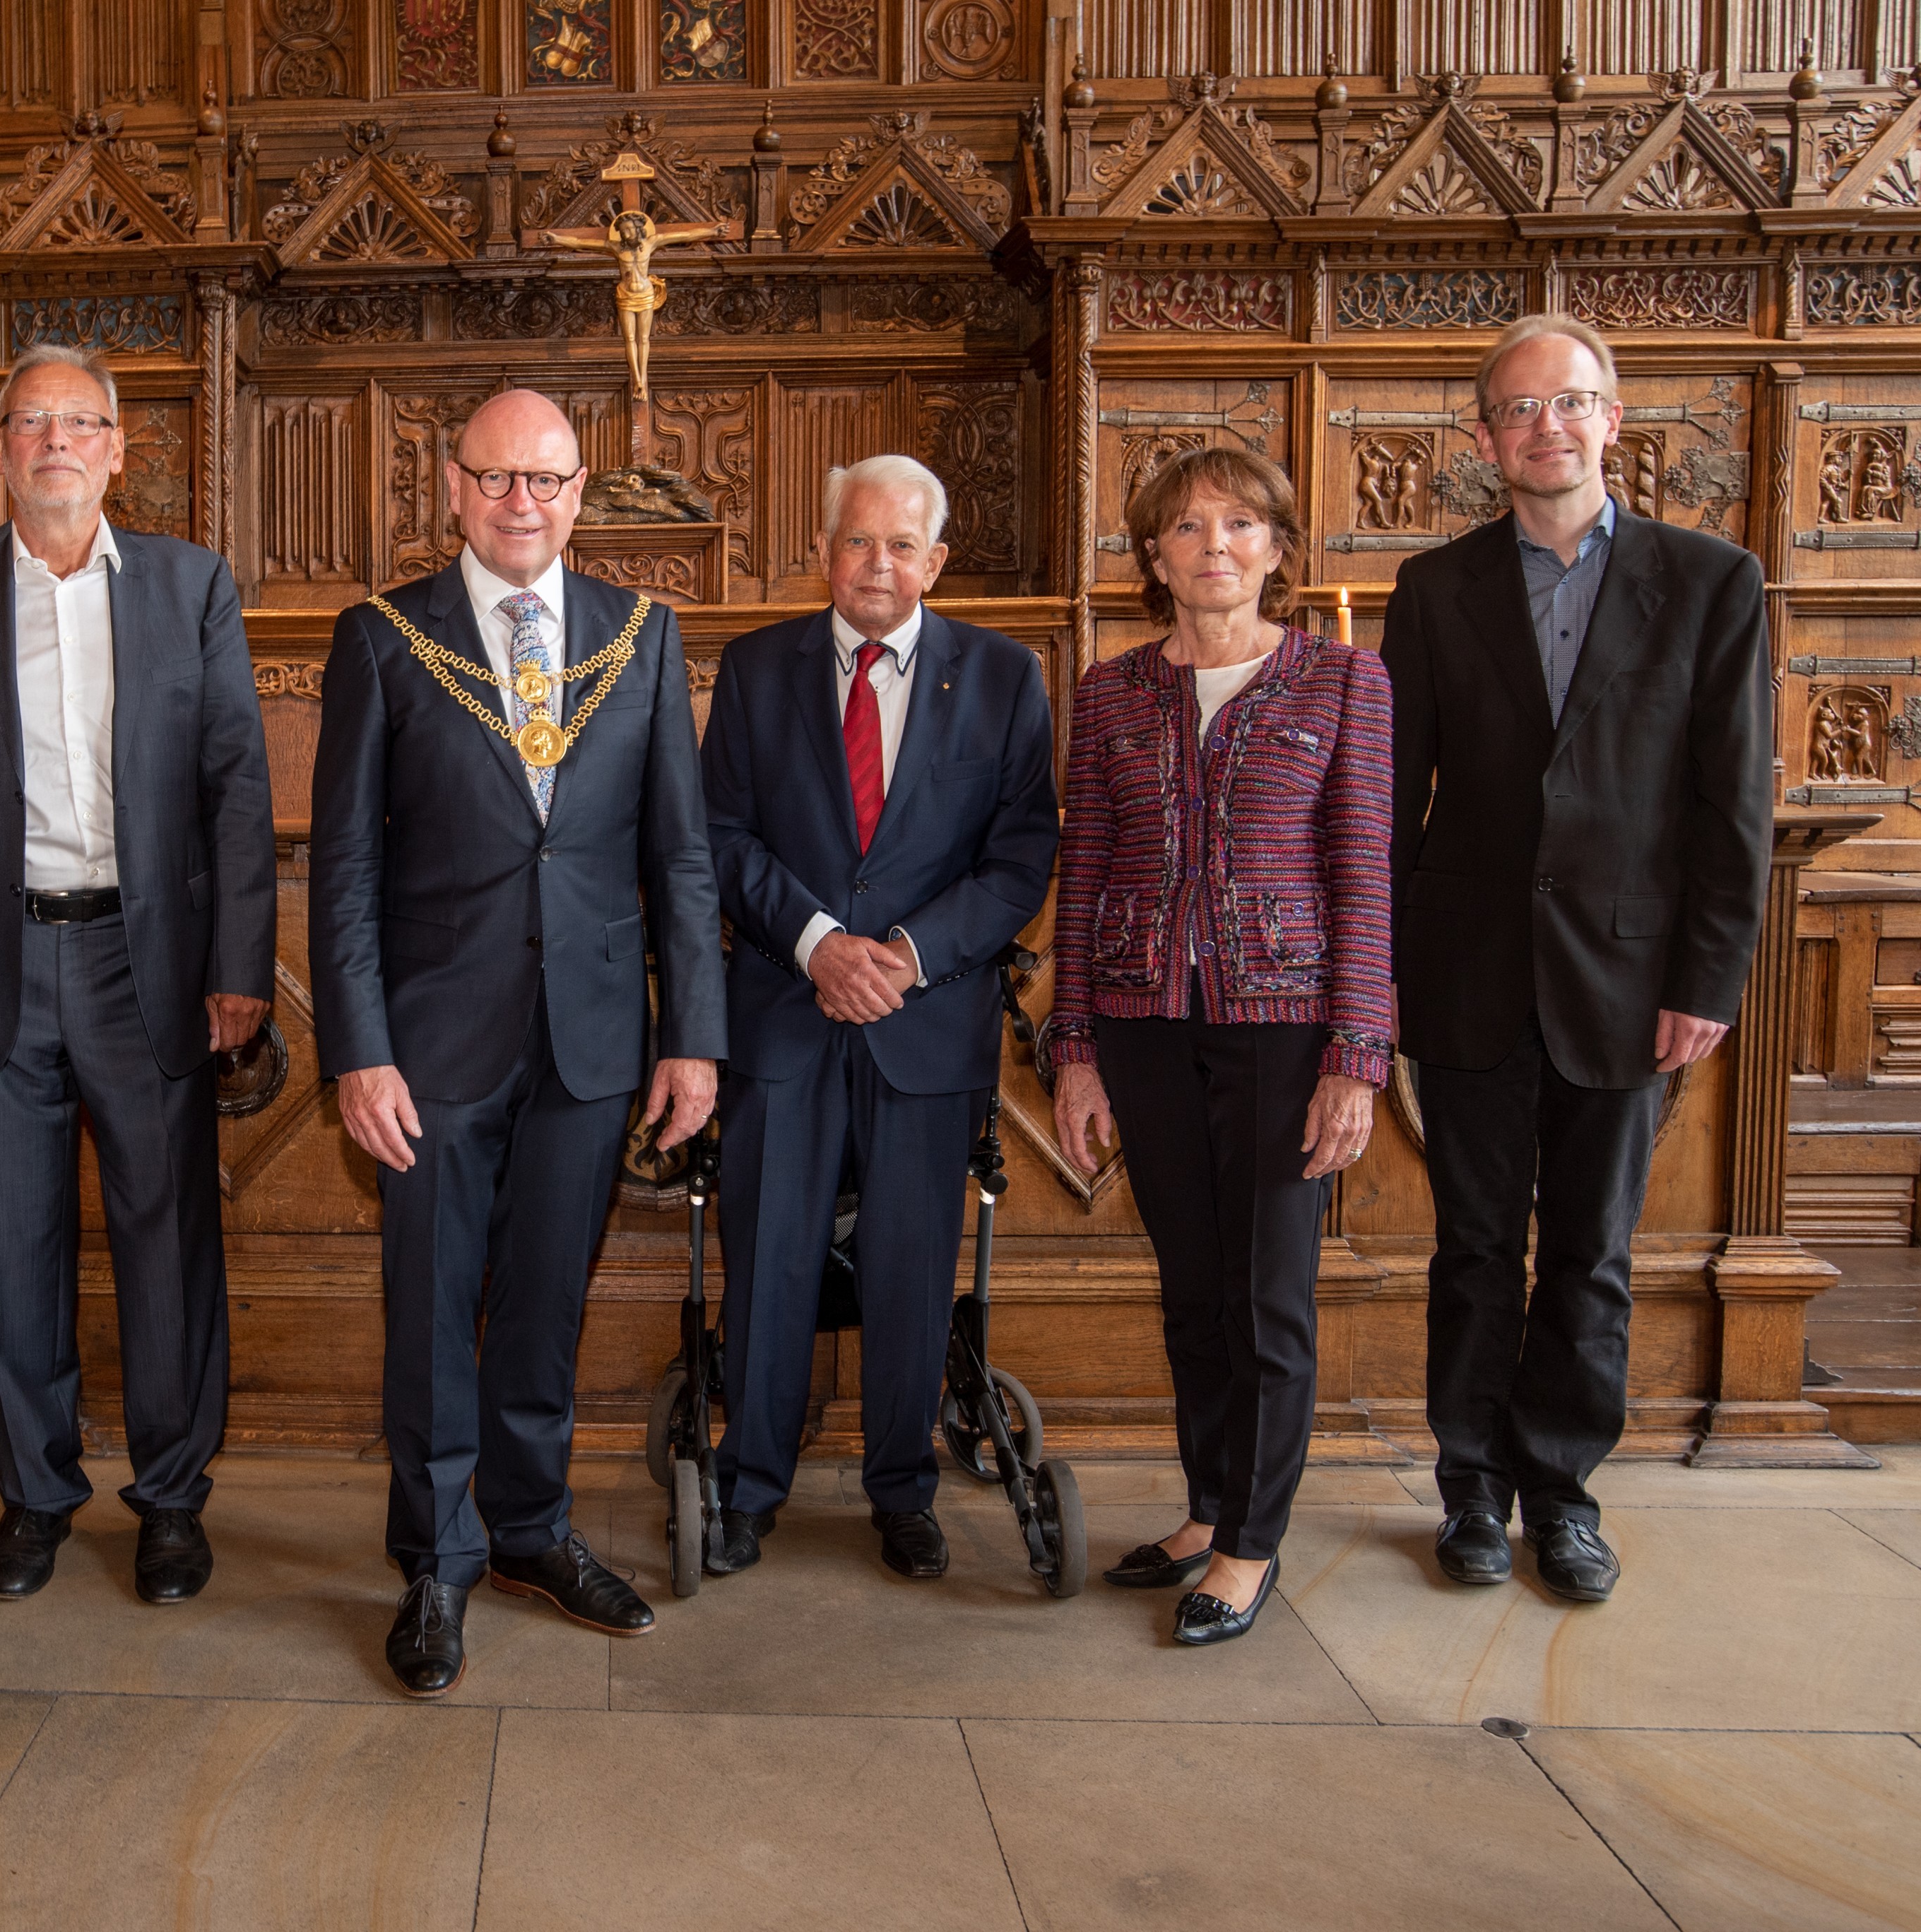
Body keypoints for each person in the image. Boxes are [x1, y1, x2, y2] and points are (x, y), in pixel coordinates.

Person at [309, 388, 725, 1697]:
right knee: (432, 1307)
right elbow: (345, 870)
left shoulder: (641, 636)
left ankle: (532, 1530)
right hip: (430, 1044)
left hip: (593, 1039)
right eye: (496, 478)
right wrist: (358, 1049)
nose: (522, 502)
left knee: (547, 1298)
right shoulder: (383, 638)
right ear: (452, 487)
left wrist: (692, 1034)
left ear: (581, 490)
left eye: (545, 479)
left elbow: (681, 854)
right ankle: (437, 1557)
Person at [0, 344, 276, 1608]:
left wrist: (240, 966)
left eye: (80, 421)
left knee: (167, 1246)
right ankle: (35, 1494)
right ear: (0, 450)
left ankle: (171, 1499)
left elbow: (234, 783)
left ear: (118, 449)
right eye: (30, 421)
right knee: (16, 1243)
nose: (55, 440)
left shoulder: (189, 585)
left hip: (143, 961)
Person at [1386, 314, 1772, 1603]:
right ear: (1485, 437)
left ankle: (1563, 1493)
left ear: (1613, 418)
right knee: (1476, 1249)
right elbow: (1392, 803)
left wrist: (1706, 981)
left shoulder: (1713, 581)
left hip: (1627, 979)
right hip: (1470, 975)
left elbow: (1734, 807)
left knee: (1595, 1256)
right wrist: (1379, 976)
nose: (1543, 426)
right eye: (1516, 408)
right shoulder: (1436, 589)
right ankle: (1471, 1496)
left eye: (1570, 403)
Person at [1040, 445, 1394, 1647]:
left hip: (1285, 1029)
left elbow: (1362, 876)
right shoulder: (1110, 691)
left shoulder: (1345, 682)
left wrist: (1357, 1053)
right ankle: (1206, 1503)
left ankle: (1250, 1540)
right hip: (1144, 1022)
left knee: (1267, 1296)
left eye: (1241, 525)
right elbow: (1082, 870)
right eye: (1187, 529)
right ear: (1153, 558)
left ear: (1280, 548)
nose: (1215, 547)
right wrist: (1074, 1046)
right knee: (1191, 1288)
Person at [695, 454, 1058, 1580]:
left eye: (903, 545)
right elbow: (719, 838)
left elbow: (1019, 857)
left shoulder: (1004, 676)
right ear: (825, 550)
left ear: (936, 561)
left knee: (910, 1264)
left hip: (928, 1024)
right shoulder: (757, 672)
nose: (878, 564)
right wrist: (815, 944)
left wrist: (904, 955)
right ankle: (748, 1483)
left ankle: (901, 1489)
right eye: (859, 541)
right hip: (784, 1019)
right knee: (769, 1256)